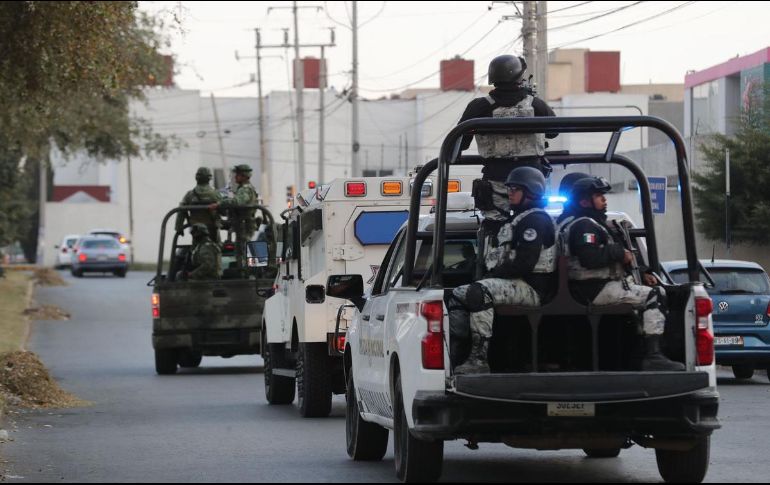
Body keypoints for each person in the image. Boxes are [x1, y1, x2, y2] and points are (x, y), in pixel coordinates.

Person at [561, 176, 684, 371]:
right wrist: (619, 252)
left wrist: (642, 272)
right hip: (593, 289)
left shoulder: (591, 223)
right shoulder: (584, 225)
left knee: (646, 294)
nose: (604, 199)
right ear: (584, 201)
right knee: (654, 295)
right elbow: (589, 258)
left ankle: (639, 353)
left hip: (596, 288)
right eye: (598, 196)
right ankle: (653, 356)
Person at [450, 166, 557, 374]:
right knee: (457, 295)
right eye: (509, 188)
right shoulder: (518, 218)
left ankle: (479, 360)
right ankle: (458, 355)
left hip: (533, 287)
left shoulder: (535, 220)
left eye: (515, 189)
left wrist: (495, 274)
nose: (510, 193)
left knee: (479, 292)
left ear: (531, 191)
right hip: (518, 283)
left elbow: (524, 263)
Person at [459, 55, 558, 230]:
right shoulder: (536, 105)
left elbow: (459, 143)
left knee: (494, 231)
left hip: (495, 184)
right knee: (535, 226)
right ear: (520, 77)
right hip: (532, 185)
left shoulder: (479, 107)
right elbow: (554, 131)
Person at [209, 164, 259, 272]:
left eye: (238, 175)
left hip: (244, 224)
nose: (235, 177)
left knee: (243, 250)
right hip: (241, 224)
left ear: (244, 176)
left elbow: (238, 201)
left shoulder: (245, 189)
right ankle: (243, 270)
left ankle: (246, 273)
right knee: (240, 250)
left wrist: (220, 204)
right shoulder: (243, 189)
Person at [175, 167, 222, 241]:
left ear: (196, 178)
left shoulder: (189, 195)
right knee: (216, 248)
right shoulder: (215, 194)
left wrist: (179, 228)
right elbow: (224, 210)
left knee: (196, 249)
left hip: (196, 229)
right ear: (209, 178)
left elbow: (181, 210)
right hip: (212, 228)